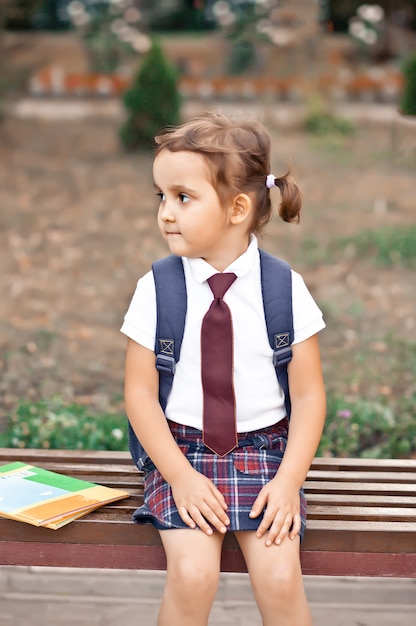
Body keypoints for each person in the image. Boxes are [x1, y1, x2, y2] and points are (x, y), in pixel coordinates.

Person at [121, 111, 326, 626]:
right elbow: (140, 396)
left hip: (266, 456)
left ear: (236, 208)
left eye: (182, 198)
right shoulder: (158, 288)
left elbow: (308, 397)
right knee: (193, 575)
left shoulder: (283, 290)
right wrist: (181, 478)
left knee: (280, 578)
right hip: (181, 453)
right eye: (160, 197)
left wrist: (287, 482)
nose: (166, 213)